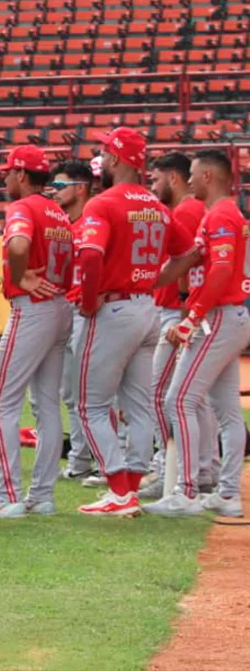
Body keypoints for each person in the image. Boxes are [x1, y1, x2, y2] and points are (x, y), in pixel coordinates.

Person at [73, 128, 197, 517]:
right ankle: (130, 489)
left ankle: (118, 489)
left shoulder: (104, 203)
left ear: (114, 158)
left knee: (89, 405)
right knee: (141, 405)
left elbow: (91, 256)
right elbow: (191, 253)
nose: (103, 157)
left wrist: (90, 301)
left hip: (115, 307)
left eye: (106, 151)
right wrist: (153, 280)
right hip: (147, 307)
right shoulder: (157, 206)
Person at [0, 145, 73, 518]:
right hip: (61, 306)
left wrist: (20, 275)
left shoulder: (24, 207)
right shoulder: (58, 212)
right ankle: (42, 496)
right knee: (46, 405)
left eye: (8, 173)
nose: (5, 179)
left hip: (35, 308)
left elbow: (18, 244)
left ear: (23, 175)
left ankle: (8, 496)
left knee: (2, 402)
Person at [145, 149, 250, 518]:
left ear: (207, 175)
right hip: (228, 315)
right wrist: (142, 281)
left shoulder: (222, 214)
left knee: (180, 400)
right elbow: (190, 260)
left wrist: (193, 317)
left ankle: (186, 490)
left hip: (219, 316)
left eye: (192, 173)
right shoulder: (219, 213)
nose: (187, 180)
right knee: (226, 412)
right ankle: (226, 494)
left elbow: (221, 271)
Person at [142, 152, 217, 499]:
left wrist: (187, 309)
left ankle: (167, 468)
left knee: (160, 394)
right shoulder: (192, 209)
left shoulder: (186, 210)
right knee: (196, 398)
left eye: (155, 179)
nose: (152, 186)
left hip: (177, 310)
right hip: (184, 309)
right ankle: (204, 470)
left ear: (173, 178)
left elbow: (187, 259)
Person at [48, 160, 99, 482]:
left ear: (80, 188)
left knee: (94, 394)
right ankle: (80, 459)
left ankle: (106, 459)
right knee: (71, 393)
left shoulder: (96, 220)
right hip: (69, 312)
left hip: (90, 314)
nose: (54, 192)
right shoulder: (66, 224)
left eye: (59, 186)